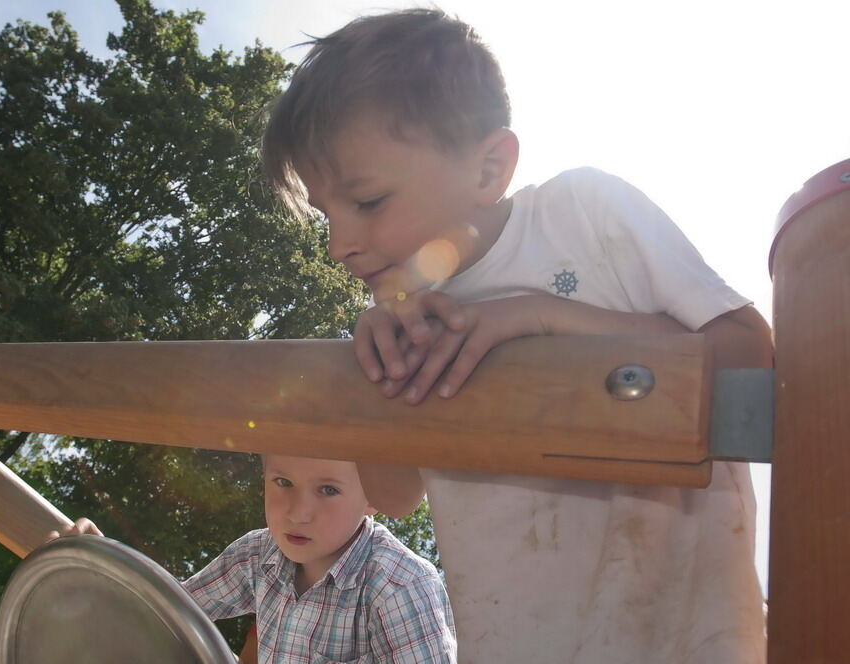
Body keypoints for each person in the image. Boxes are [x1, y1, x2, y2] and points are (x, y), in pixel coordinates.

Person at [259, 8, 772, 663]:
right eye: (326, 216)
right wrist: (377, 379)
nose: (339, 245)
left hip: (685, 639)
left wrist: (542, 318)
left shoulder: (583, 214)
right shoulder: (410, 320)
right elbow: (392, 494)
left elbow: (750, 355)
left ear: (487, 168)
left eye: (366, 202)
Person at [49, 454, 456, 663]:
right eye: (282, 482)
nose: (297, 512)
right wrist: (103, 565)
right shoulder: (259, 554)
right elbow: (170, 608)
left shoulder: (398, 585)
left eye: (328, 490)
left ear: (372, 500)